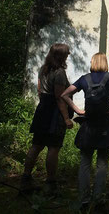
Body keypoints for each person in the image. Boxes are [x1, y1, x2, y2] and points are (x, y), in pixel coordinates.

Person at [61, 52, 109, 214]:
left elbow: (64, 94)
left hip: (89, 125)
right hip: (105, 125)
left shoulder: (85, 79)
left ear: (92, 62)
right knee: (102, 163)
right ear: (105, 63)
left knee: (85, 162)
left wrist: (78, 110)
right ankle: (97, 199)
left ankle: (84, 199)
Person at [20, 43, 74, 195]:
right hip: (54, 114)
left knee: (36, 144)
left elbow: (39, 91)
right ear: (61, 56)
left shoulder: (43, 70)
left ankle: (26, 178)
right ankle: (50, 182)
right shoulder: (60, 73)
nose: (68, 56)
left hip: (42, 109)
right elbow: (59, 97)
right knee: (53, 147)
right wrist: (66, 118)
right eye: (67, 54)